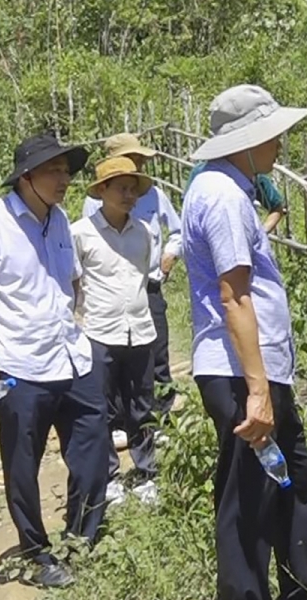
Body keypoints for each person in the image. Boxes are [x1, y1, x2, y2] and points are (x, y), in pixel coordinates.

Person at [182, 84, 307, 600]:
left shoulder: (230, 190)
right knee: (250, 491)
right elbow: (233, 294)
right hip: (240, 369)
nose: (280, 143)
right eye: (272, 134)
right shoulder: (221, 197)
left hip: (259, 366)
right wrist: (256, 389)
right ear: (244, 142)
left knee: (292, 475)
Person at [0, 133, 110, 588]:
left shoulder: (61, 219)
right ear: (27, 178)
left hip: (70, 355)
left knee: (93, 451)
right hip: (18, 363)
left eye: (67, 170)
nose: (65, 179)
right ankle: (38, 553)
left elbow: (71, 284)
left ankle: (80, 542)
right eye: (55, 171)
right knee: (22, 463)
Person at [72, 157, 160, 506]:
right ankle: (108, 475)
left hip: (139, 329)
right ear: (102, 191)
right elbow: (74, 281)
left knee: (142, 405)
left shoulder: (143, 233)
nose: (128, 195)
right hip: (99, 330)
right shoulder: (81, 233)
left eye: (133, 189)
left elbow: (143, 275)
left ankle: (145, 473)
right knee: (102, 408)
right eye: (121, 188)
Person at [81, 133, 182, 437]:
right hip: (110, 294)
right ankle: (120, 423)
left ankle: (159, 420)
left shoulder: (153, 195)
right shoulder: (92, 205)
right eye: (131, 158)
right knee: (112, 364)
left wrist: (168, 257)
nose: (137, 164)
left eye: (138, 159)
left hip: (147, 284)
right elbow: (93, 246)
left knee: (156, 354)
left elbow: (176, 232)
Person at [187, 161, 288, 233]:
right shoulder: (200, 171)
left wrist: (261, 234)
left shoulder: (250, 172)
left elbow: (276, 207)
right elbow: (188, 211)